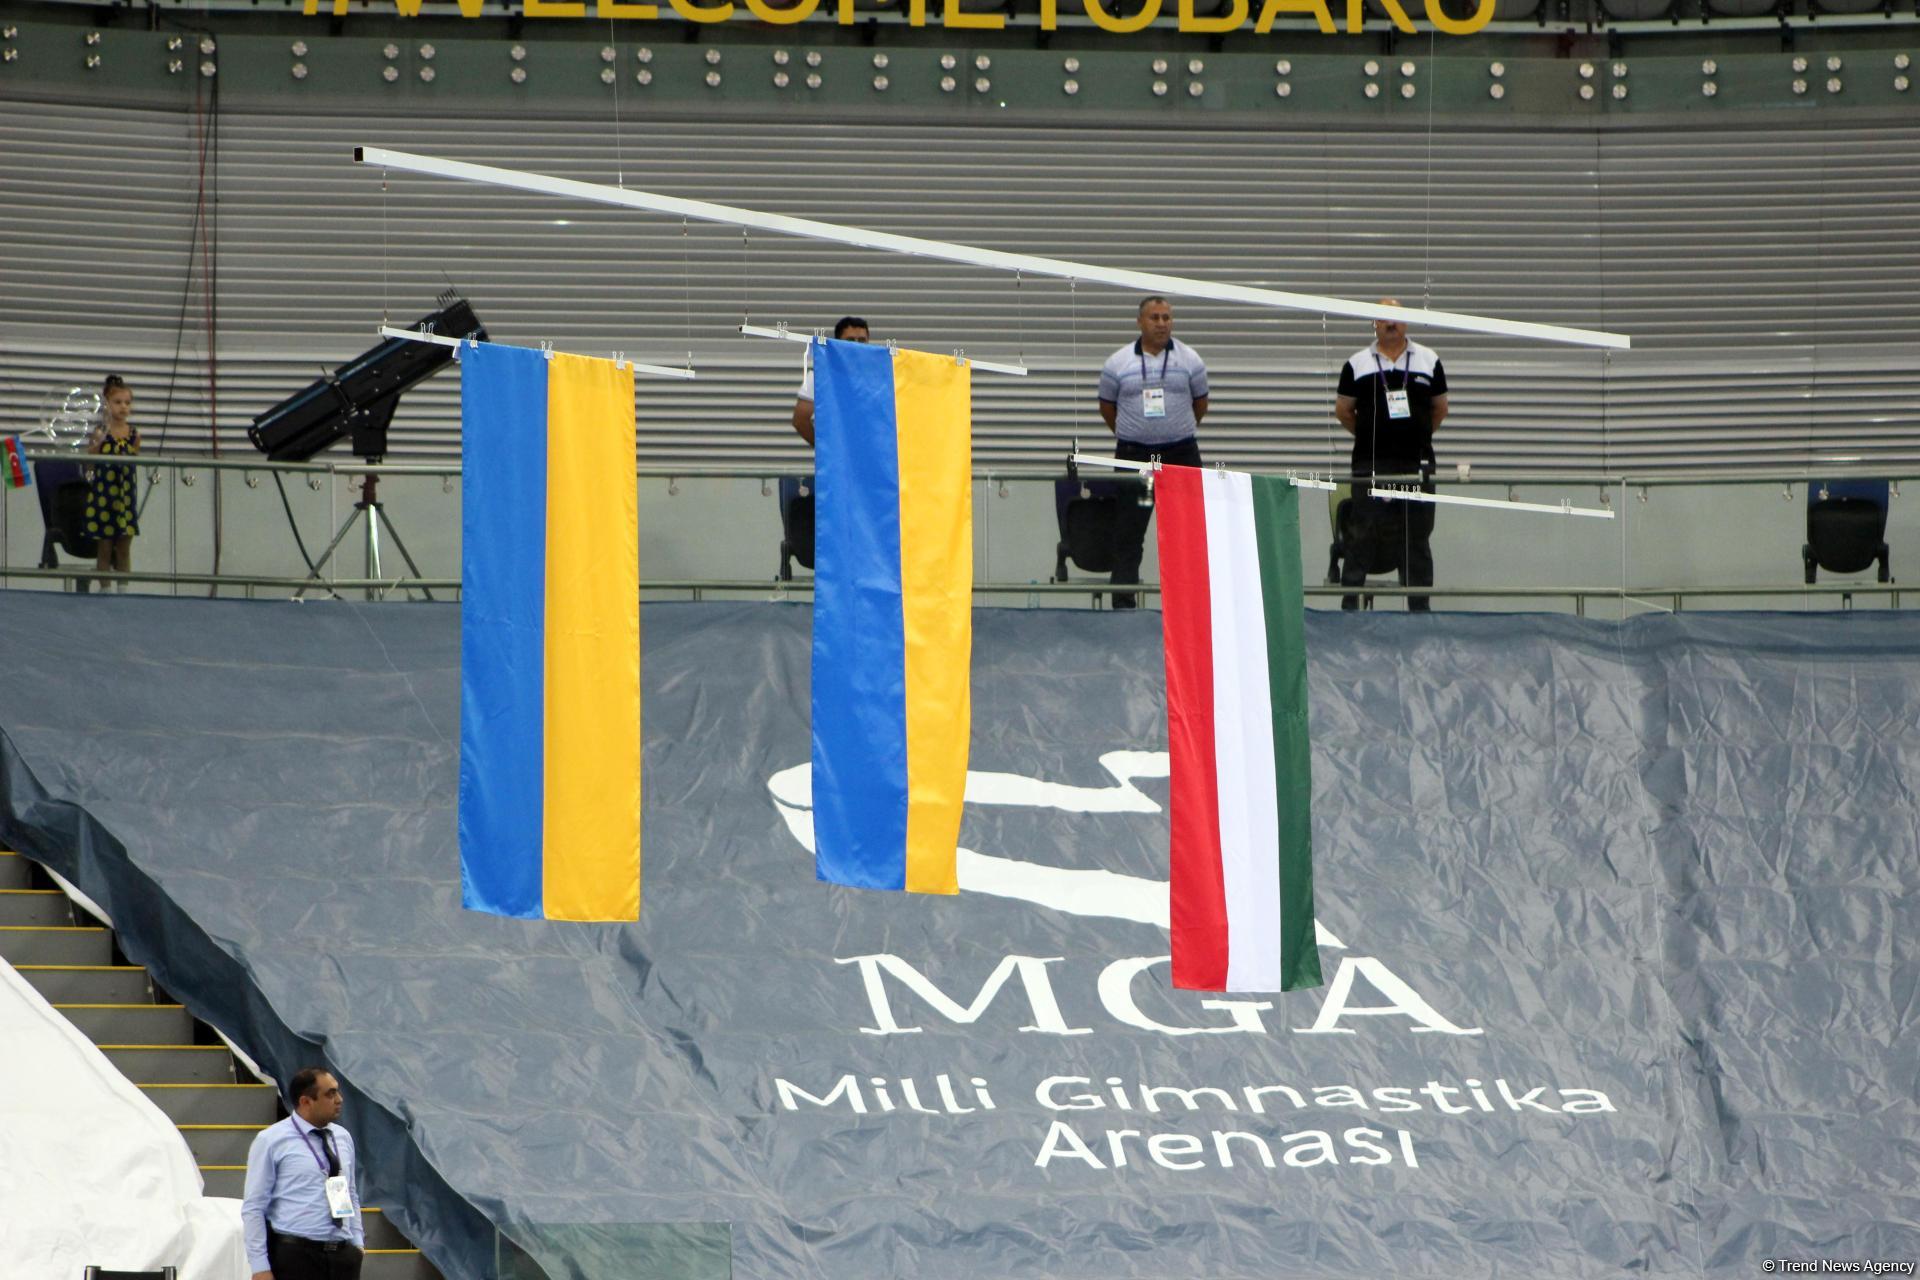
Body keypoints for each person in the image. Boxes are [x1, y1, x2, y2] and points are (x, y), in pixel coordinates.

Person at [1333, 299, 1450, 611]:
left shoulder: (1428, 360)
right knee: (1362, 534)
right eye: (1383, 318)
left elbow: (1440, 410)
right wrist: (1374, 438)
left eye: (1397, 318)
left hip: (1416, 464)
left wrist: (1416, 437)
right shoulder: (1357, 363)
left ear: (1406, 323)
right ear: (1374, 323)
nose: (1391, 323)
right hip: (1371, 464)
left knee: (1417, 538)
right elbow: (1344, 412)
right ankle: (1349, 611)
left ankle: (1420, 612)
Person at [1096, 296, 1209, 608]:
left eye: (1167, 318)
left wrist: (1173, 431)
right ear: (1140, 322)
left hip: (1180, 454)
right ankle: (1123, 602)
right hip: (1134, 456)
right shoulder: (1117, 363)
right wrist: (1134, 433)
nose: (1162, 324)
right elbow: (1107, 407)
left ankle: (1188, 604)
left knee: (1186, 535)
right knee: (1128, 532)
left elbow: (1200, 405)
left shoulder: (1190, 360)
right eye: (1155, 318)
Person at [241, 1067, 365, 1280]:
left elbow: (349, 1192)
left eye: (338, 1092)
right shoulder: (271, 1140)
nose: (339, 1099)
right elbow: (254, 1206)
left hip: (343, 1255)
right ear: (306, 1101)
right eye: (330, 1093)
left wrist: (357, 1242)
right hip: (297, 1255)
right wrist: (259, 1266)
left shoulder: (342, 1137)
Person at [84, 374, 139, 591]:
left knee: (124, 547)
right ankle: (104, 588)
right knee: (105, 547)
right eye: (118, 402)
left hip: (125, 496)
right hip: (104, 496)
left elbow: (134, 461)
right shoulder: (100, 433)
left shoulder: (134, 434)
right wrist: (95, 448)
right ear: (107, 404)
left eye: (127, 403)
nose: (123, 407)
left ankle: (124, 588)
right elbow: (88, 465)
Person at [790, 316, 872, 445]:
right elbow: (800, 420)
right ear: (837, 342)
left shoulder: (879, 375)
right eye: (850, 340)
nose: (856, 345)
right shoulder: (820, 376)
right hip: (838, 458)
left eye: (862, 340)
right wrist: (825, 450)